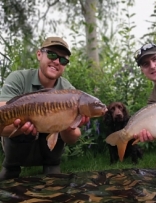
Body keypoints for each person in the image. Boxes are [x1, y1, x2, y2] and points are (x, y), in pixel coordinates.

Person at [0, 36, 89, 180]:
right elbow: (2, 111)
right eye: (52, 54)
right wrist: (20, 127)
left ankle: (51, 166)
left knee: (59, 123)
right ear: (39, 54)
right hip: (19, 136)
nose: (56, 62)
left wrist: (69, 124)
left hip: (48, 145)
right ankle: (11, 167)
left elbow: (74, 138)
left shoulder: (68, 90)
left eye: (63, 60)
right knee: (14, 120)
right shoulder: (18, 78)